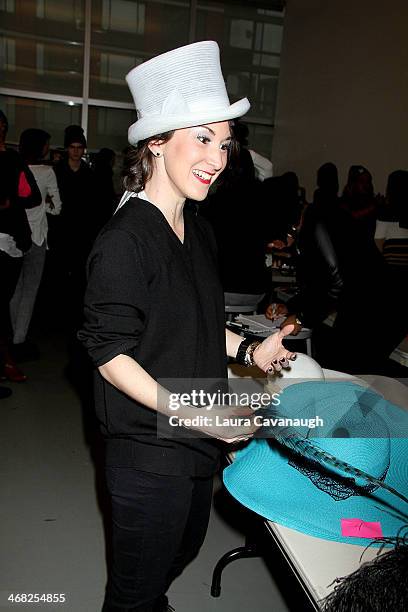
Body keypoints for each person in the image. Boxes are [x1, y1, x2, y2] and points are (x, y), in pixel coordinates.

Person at [78, 41, 296, 612]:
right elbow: (109, 353)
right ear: (156, 141)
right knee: (135, 586)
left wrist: (251, 349)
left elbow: (196, 318)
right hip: (147, 447)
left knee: (183, 548)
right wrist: (199, 414)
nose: (218, 157)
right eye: (202, 138)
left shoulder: (197, 228)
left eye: (224, 143)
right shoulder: (125, 241)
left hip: (193, 430)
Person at [10, 128, 62, 358]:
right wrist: (46, 207)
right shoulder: (47, 172)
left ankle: (12, 338)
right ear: (40, 146)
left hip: (14, 235)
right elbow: (57, 208)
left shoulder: (14, 167)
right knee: (29, 292)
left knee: (14, 291)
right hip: (38, 236)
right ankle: (19, 340)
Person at [0, 110, 42, 388]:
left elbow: (32, 196)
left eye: (2, 126)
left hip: (10, 240)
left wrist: (10, 201)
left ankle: (6, 360)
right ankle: (6, 360)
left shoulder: (12, 159)